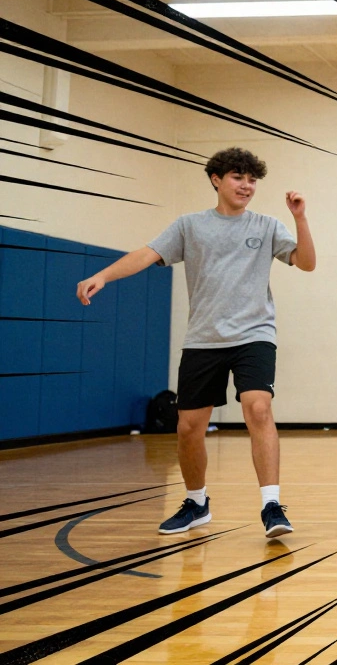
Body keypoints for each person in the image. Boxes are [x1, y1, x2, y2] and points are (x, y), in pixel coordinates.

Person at [76, 147, 315, 538]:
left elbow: (306, 262)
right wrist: (104, 275)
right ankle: (197, 502)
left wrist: (300, 218)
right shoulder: (189, 226)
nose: (247, 185)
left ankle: (272, 505)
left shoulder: (267, 225)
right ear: (216, 180)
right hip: (203, 339)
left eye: (252, 180)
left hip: (254, 334)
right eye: (238, 177)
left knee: (258, 408)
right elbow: (146, 254)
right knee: (189, 427)